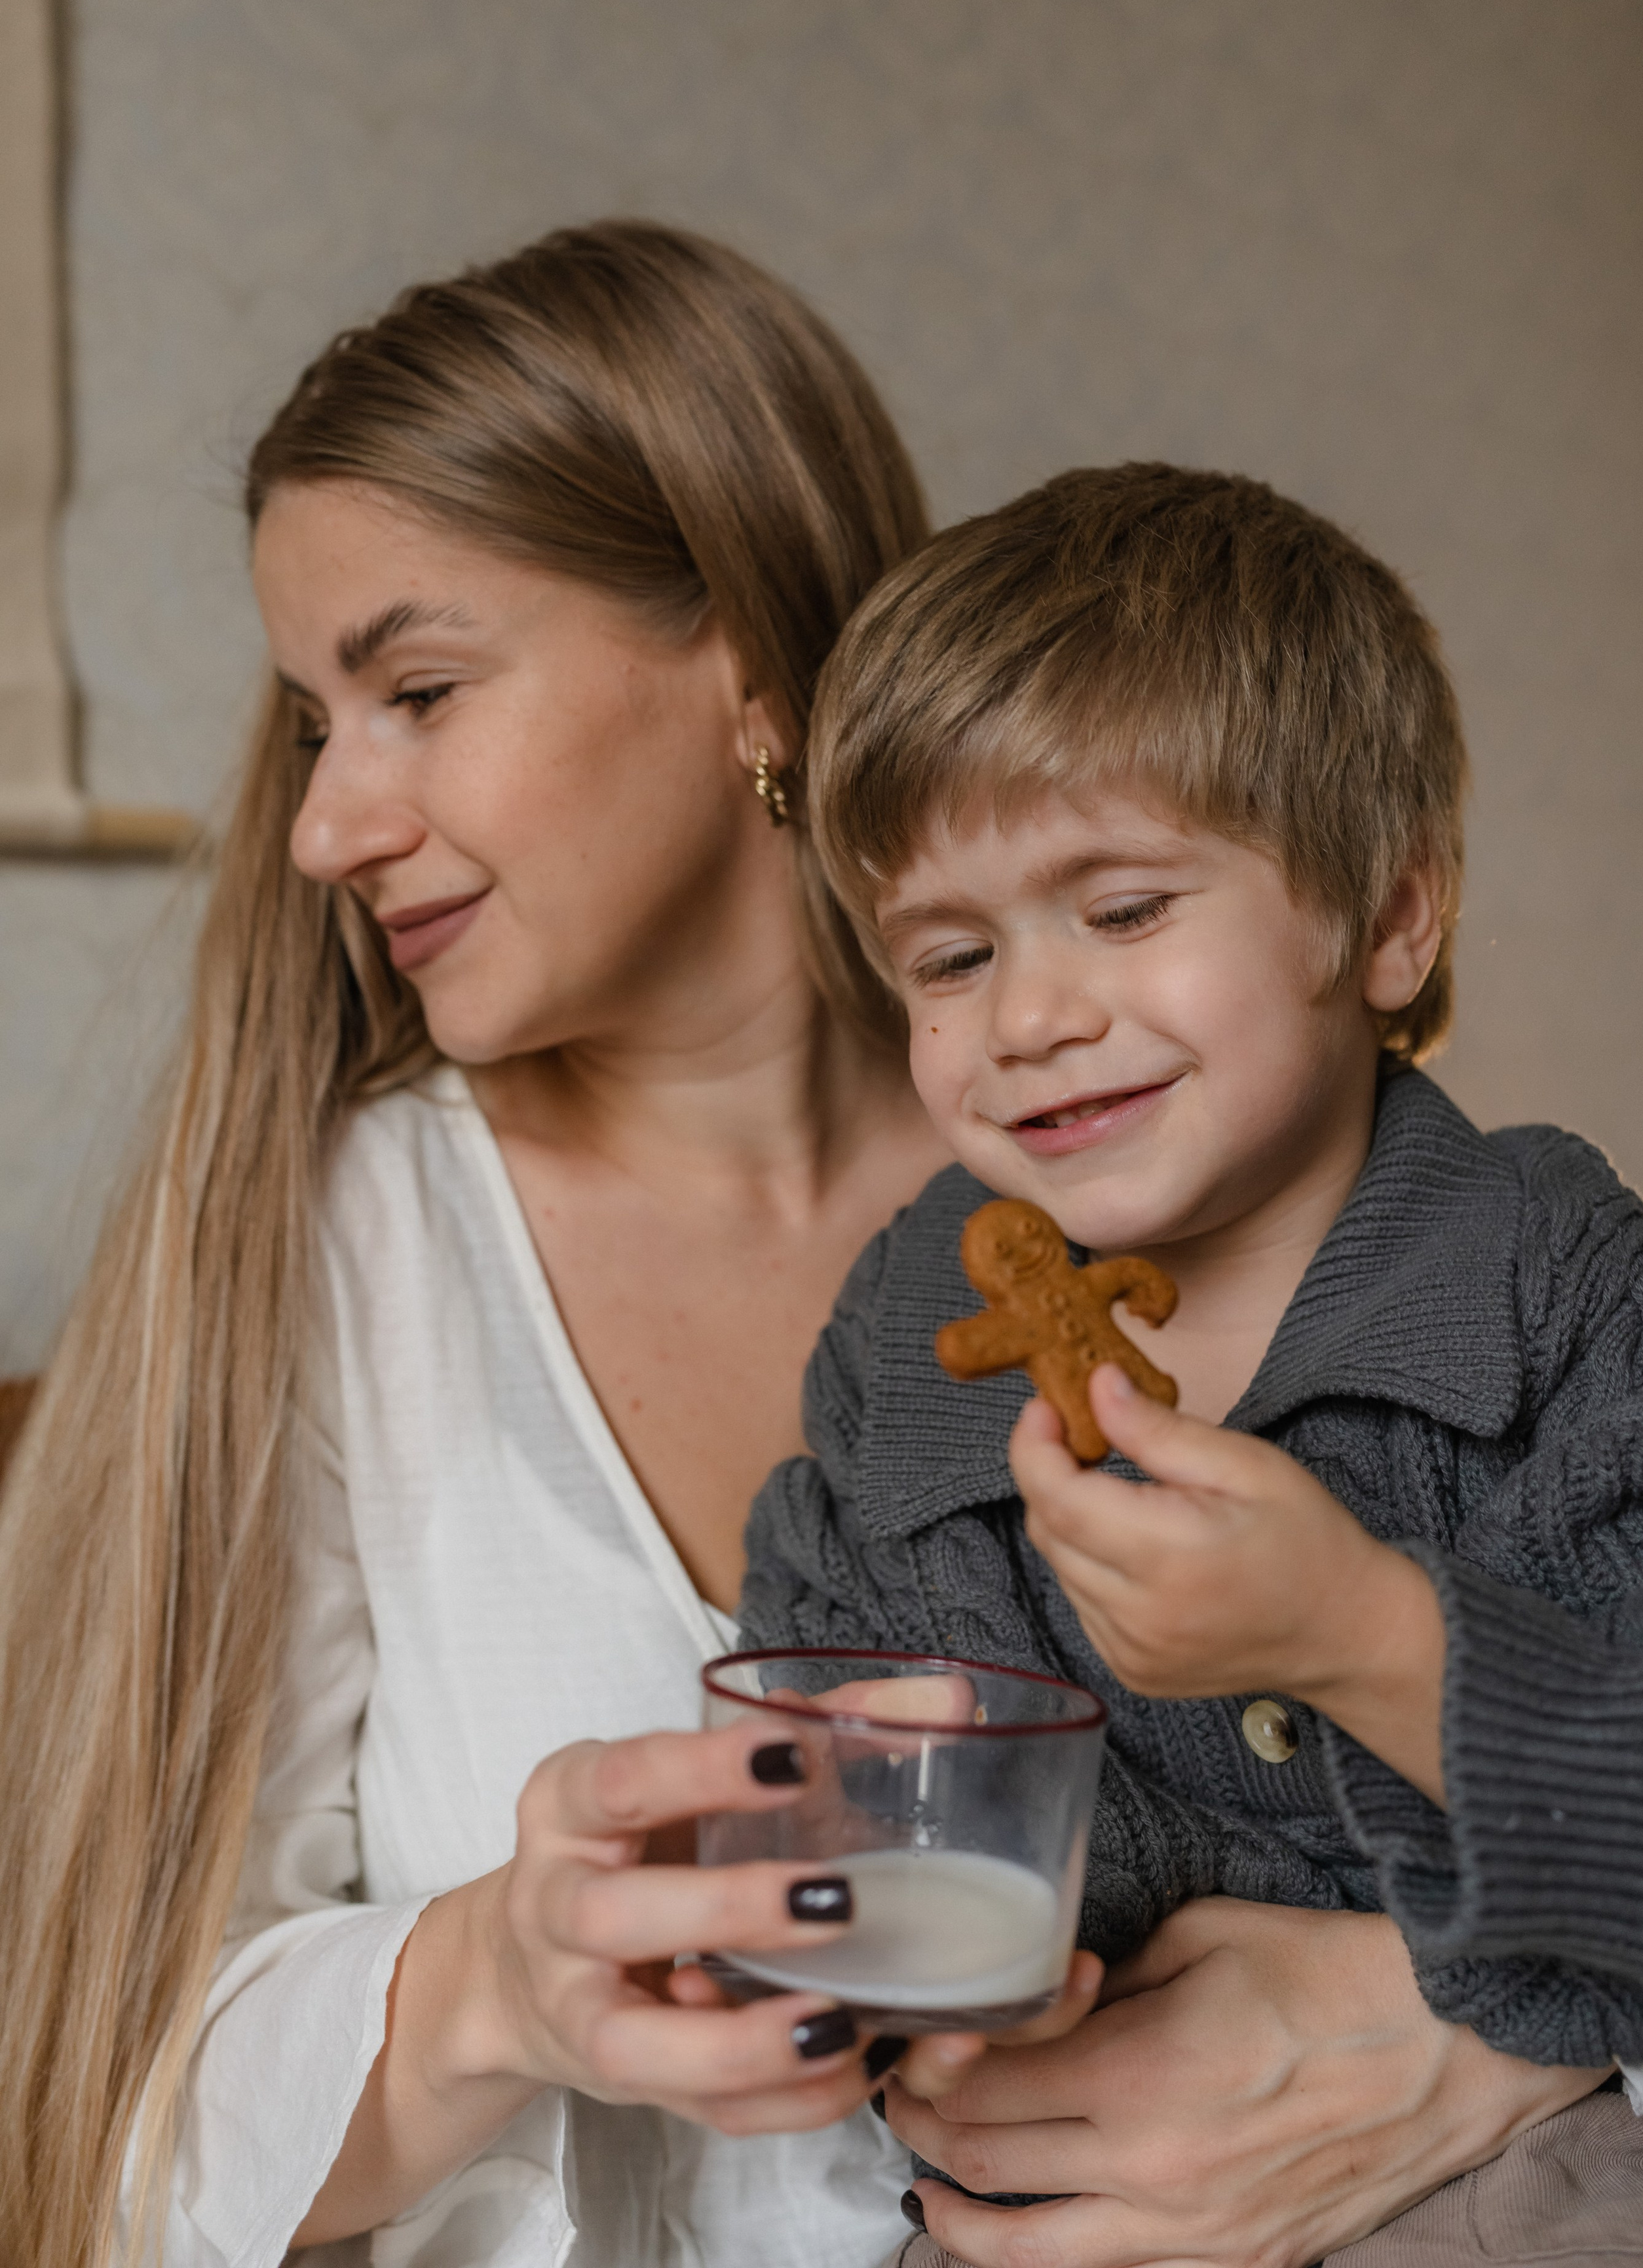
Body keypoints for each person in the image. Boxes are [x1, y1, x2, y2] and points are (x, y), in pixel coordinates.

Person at [0, 220, 991, 2268]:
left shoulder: (1122, 1182)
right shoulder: (330, 1260)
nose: (322, 825)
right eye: (311, 723)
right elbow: (89, 2101)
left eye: (419, 691)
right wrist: (492, 1990)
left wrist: (1405, 2043)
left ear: (746, 662)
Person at [742, 461, 1643, 2261]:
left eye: (1125, 910)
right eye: (951, 955)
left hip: (1553, 2178)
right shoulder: (903, 1341)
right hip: (1080, 2181)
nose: (1030, 1017)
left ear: (1390, 921)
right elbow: (836, 1812)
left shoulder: (1556, 1284)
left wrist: (1362, 1635)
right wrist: (900, 1870)